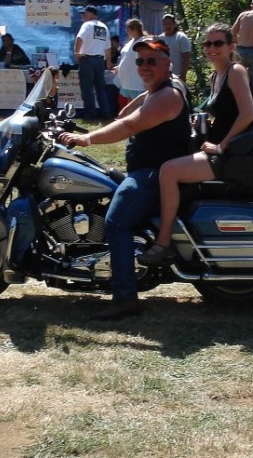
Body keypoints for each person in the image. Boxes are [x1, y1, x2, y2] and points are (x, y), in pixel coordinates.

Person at [58, 36, 191, 320]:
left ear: (167, 62)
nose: (144, 66)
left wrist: (86, 139)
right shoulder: (163, 87)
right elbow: (126, 114)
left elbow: (129, 124)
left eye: (152, 61)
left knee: (116, 223)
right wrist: (145, 93)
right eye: (140, 60)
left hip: (151, 173)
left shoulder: (167, 95)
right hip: (147, 168)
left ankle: (125, 298)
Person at [140, 24, 253, 266]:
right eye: (207, 44)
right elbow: (227, 113)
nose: (211, 48)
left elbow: (247, 114)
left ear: (231, 46)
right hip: (217, 146)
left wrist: (221, 146)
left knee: (168, 171)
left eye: (217, 43)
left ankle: (163, 242)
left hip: (230, 154)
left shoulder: (236, 71)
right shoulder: (217, 75)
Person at [74, 5, 112, 120]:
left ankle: (90, 115)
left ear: (90, 14)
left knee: (87, 89)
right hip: (100, 60)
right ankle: (106, 112)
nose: (83, 16)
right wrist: (109, 63)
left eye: (84, 14)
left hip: (88, 59)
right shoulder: (104, 27)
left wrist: (77, 54)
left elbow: (79, 39)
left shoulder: (87, 25)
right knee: (100, 88)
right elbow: (108, 47)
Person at [115, 19, 146, 109]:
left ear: (135, 29)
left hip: (137, 81)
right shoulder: (130, 41)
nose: (127, 31)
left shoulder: (143, 41)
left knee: (138, 106)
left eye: (128, 29)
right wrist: (119, 67)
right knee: (128, 104)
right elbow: (126, 57)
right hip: (126, 81)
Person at [159, 13, 192, 80]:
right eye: (165, 24)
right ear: (162, 25)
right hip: (163, 76)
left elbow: (186, 57)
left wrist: (183, 75)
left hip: (177, 75)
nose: (167, 26)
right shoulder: (160, 39)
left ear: (174, 24)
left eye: (170, 24)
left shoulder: (181, 37)